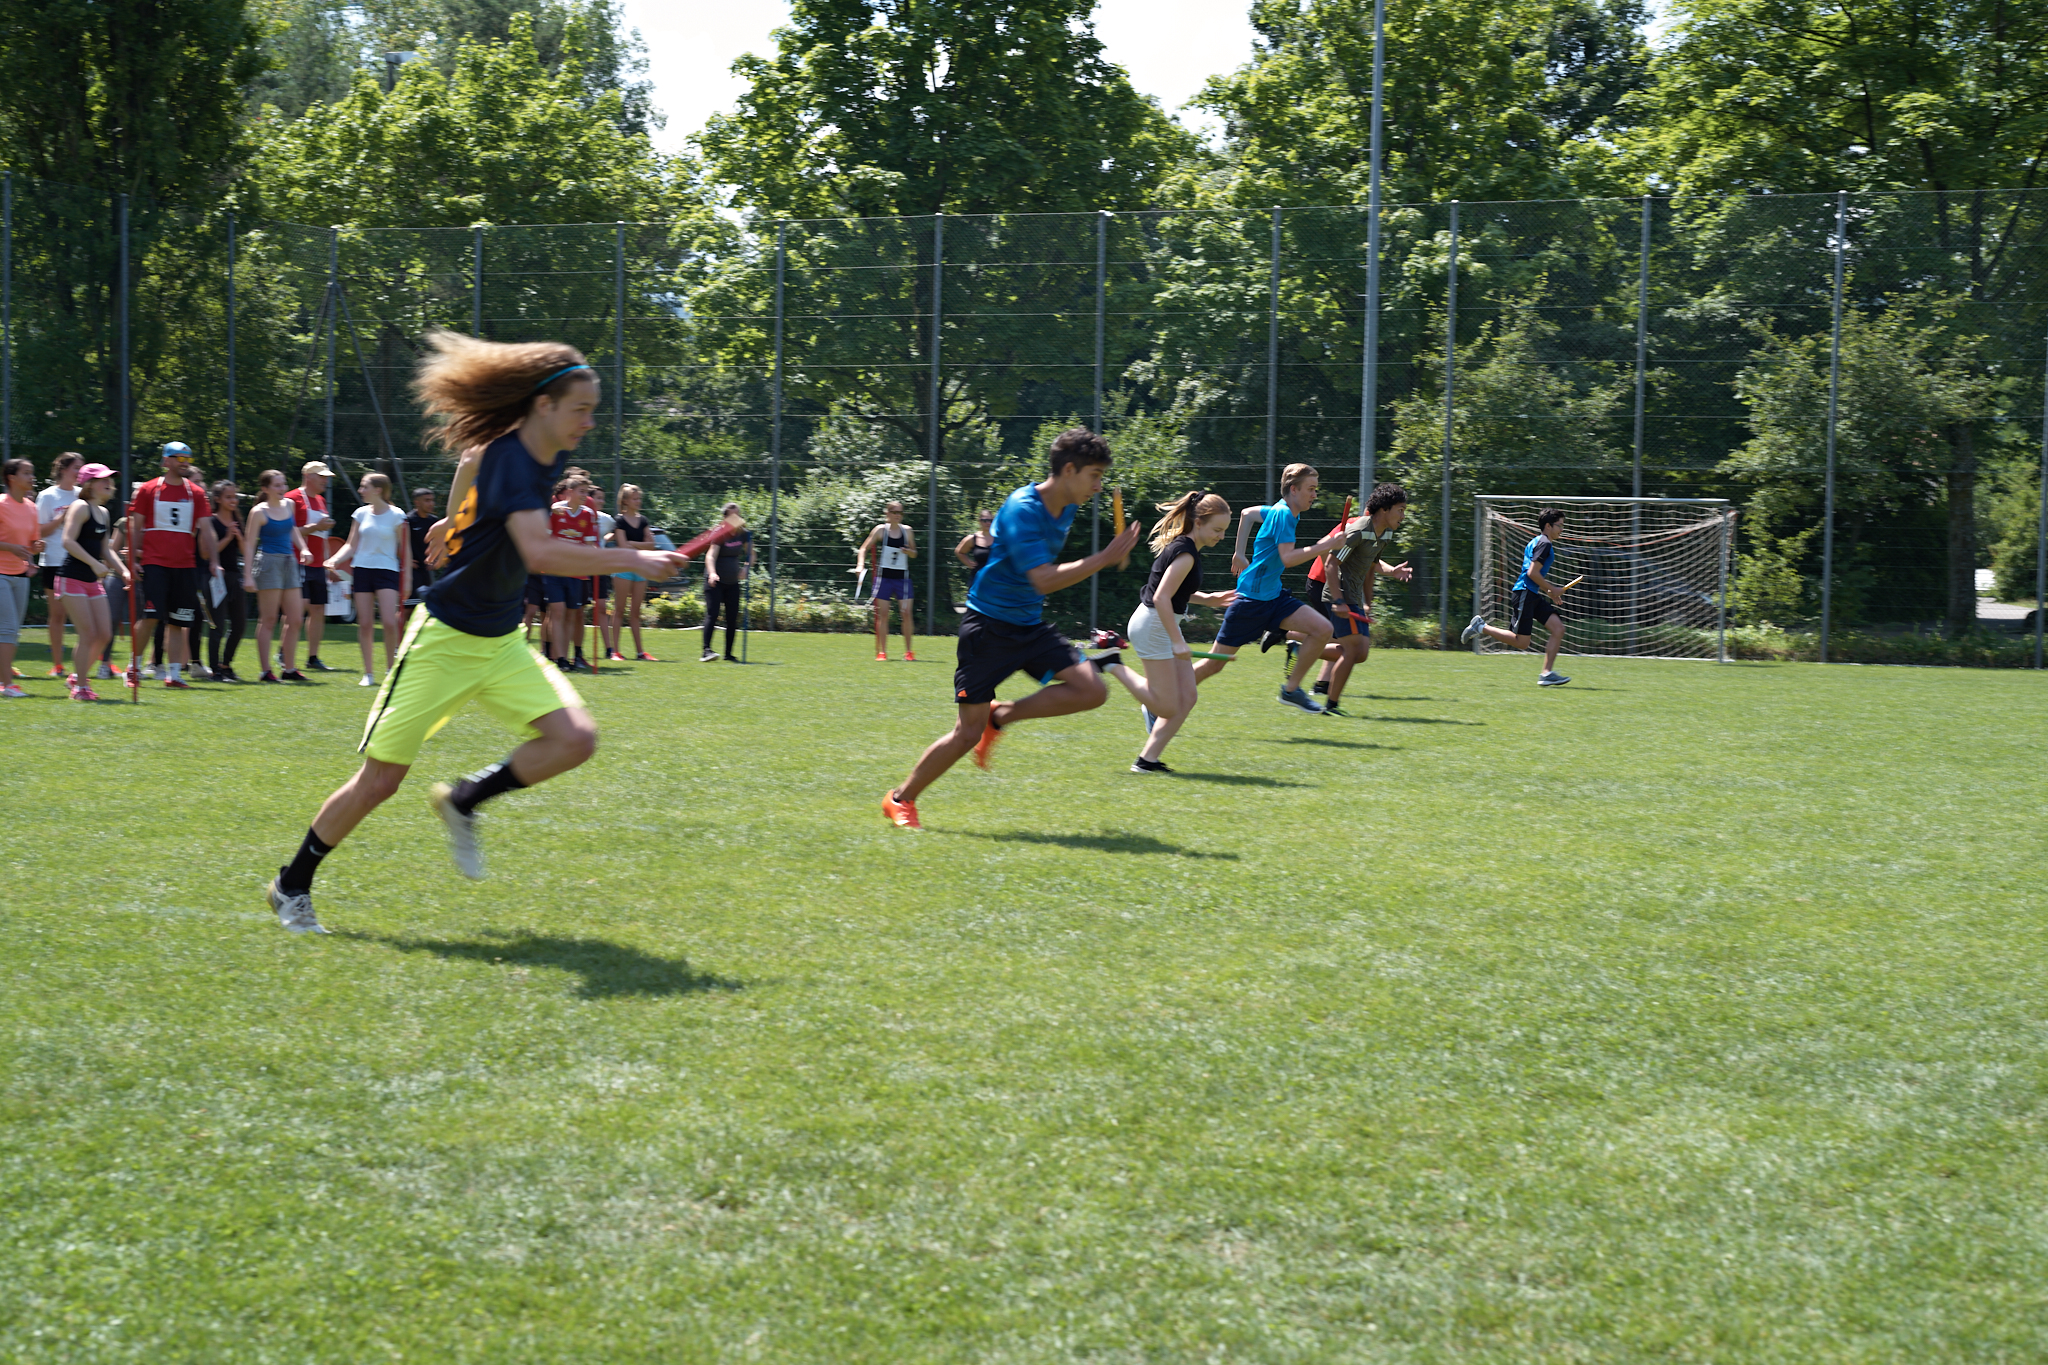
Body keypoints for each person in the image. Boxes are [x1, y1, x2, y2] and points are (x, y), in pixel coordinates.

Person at [263, 331, 684, 933]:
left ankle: (464, 800)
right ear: (544, 405)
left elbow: (469, 459)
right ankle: (291, 885)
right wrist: (631, 559)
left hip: (502, 640)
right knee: (381, 781)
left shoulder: (544, 452)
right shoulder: (517, 458)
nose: (590, 422)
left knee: (575, 740)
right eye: (581, 409)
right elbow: (538, 551)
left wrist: (451, 521)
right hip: (445, 638)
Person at [880, 427, 1142, 830]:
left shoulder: (1067, 507)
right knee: (966, 734)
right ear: (1068, 470)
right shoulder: (1023, 508)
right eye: (1094, 475)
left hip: (1029, 626)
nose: (1098, 486)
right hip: (987, 628)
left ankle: (999, 715)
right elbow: (1043, 579)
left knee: (1092, 690)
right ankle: (900, 799)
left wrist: (1105, 557)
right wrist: (1104, 558)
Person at [1095, 490, 1237, 774]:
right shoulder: (1185, 553)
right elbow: (1161, 597)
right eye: (1217, 530)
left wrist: (1208, 599)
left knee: (1187, 696)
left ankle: (1147, 760)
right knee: (1167, 706)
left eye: (1224, 530)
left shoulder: (1187, 549)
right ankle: (1112, 663)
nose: (1221, 536)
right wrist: (1177, 642)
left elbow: (1174, 592)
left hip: (1159, 623)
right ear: (1199, 522)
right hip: (1154, 626)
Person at [1194, 463, 1345, 712]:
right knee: (1215, 663)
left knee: (1322, 629)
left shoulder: (1280, 510)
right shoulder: (1283, 514)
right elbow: (1288, 558)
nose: (1315, 494)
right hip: (1250, 601)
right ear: (1294, 489)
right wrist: (1328, 544)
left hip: (1273, 597)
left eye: (1315, 489)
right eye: (1311, 489)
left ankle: (1291, 691)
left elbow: (1246, 514)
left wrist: (1239, 553)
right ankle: (1165, 696)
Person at [1288, 482, 1413, 717]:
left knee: (1361, 653)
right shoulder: (1359, 530)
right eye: (1400, 510)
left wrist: (1381, 585)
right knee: (1352, 649)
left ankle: (1300, 648)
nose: (1403, 516)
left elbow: (1371, 565)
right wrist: (1338, 600)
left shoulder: (1385, 533)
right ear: (1384, 509)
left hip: (1352, 597)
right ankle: (1331, 705)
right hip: (1339, 596)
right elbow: (1331, 564)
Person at [126, 441, 215, 690]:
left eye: (188, 458)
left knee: (179, 621)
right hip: (155, 563)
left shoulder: (196, 493)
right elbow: (135, 526)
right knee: (151, 617)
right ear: (166, 461)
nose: (184, 462)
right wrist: (131, 561)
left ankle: (174, 675)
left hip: (185, 566)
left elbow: (207, 529)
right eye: (179, 458)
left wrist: (214, 561)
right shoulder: (148, 489)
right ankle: (133, 668)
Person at [1462, 506, 1571, 685]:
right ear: (1548, 526)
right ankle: (1481, 627)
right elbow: (1532, 573)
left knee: (1558, 629)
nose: (1562, 529)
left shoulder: (1537, 541)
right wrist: (1553, 588)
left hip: (1532, 594)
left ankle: (1546, 674)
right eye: (1559, 525)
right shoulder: (1544, 544)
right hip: (1525, 594)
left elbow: (1534, 574)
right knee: (1521, 642)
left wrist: (1549, 592)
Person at [326, 472, 411, 685]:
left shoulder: (397, 515)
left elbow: (405, 550)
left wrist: (408, 579)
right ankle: (369, 674)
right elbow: (350, 545)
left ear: (378, 490)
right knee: (365, 624)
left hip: (387, 571)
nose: (360, 490)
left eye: (364, 486)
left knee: (389, 622)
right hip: (362, 570)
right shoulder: (360, 513)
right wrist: (334, 560)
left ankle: (390, 670)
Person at [243, 470, 312, 683]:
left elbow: (292, 530)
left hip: (289, 562)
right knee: (269, 619)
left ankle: (289, 669)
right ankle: (266, 671)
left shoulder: (289, 505)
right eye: (277, 485)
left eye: (283, 484)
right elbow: (249, 544)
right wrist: (248, 576)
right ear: (265, 489)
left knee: (296, 619)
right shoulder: (258, 512)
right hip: (268, 563)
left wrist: (303, 548)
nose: (282, 489)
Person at [35, 453, 84, 679]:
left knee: (84, 616)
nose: (80, 472)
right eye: (76, 467)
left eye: (82, 468)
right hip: (54, 562)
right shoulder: (47, 496)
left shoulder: (82, 495)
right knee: (58, 615)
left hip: (80, 561)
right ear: (63, 469)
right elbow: (38, 531)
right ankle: (58, 665)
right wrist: (62, 518)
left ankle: (85, 663)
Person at [286, 460, 336, 671]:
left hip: (317, 565)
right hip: (297, 561)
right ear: (308, 476)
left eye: (326, 477)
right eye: (321, 476)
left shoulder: (321, 501)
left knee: (318, 609)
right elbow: (289, 531)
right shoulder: (292, 498)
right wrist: (316, 526)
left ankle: (313, 657)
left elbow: (322, 537)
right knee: (296, 611)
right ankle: (284, 653)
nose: (325, 481)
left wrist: (328, 562)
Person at [544, 473, 596, 672]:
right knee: (558, 612)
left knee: (571, 615)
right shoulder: (555, 510)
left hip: (576, 572)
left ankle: (565, 657)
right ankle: (560, 659)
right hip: (554, 569)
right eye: (581, 491)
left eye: (586, 492)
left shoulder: (587, 514)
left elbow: (589, 544)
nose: (585, 495)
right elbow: (545, 539)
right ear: (570, 491)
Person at [0, 459, 42, 697]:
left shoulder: (31, 508)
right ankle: (7, 685)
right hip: (1, 575)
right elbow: (13, 545)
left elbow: (30, 544)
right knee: (7, 629)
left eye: (32, 473)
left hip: (21, 576)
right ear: (11, 477)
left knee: (13, 631)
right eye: (26, 473)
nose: (31, 477)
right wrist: (10, 548)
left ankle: (3, 680)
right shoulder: (1, 504)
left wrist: (36, 547)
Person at [856, 501, 917, 661]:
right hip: (884, 579)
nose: (898, 515)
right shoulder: (880, 530)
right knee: (883, 614)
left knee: (906, 613)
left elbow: (914, 553)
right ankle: (882, 652)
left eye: (900, 512)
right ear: (887, 513)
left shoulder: (907, 531)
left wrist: (909, 551)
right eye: (894, 512)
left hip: (902, 579)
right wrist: (860, 565)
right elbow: (863, 548)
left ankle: (909, 652)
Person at [205, 481, 249, 681]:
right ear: (217, 499)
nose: (233, 500)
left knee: (240, 624)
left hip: (234, 576)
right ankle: (215, 670)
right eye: (228, 497)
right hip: (216, 577)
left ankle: (226, 665)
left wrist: (238, 537)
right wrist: (227, 537)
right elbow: (208, 553)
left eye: (235, 497)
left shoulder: (237, 521)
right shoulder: (211, 522)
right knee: (217, 625)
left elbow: (245, 550)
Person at [700, 502, 752, 662]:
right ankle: (706, 651)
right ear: (725, 518)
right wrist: (712, 573)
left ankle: (728, 654)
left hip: (732, 582)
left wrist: (746, 567)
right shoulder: (720, 533)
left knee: (732, 617)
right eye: (732, 516)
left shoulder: (744, 533)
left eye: (738, 515)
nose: (736, 518)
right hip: (715, 582)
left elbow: (751, 554)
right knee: (713, 614)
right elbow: (710, 556)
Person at [611, 483, 658, 660]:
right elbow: (623, 546)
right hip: (623, 568)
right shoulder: (620, 521)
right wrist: (637, 545)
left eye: (639, 498)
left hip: (640, 568)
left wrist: (632, 543)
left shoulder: (643, 520)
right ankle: (615, 652)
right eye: (635, 499)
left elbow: (651, 545)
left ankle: (640, 652)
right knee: (619, 610)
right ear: (625, 501)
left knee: (636, 613)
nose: (638, 501)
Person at [401, 486, 438, 629]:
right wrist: (406, 560)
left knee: (422, 610)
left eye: (432, 500)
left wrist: (435, 559)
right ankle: (396, 640)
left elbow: (438, 543)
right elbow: (396, 542)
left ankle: (412, 638)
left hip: (425, 572)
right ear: (417, 502)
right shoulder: (408, 520)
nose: (431, 503)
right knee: (407, 610)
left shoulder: (434, 521)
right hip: (411, 572)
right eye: (427, 500)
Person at [954, 510, 994, 595]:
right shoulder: (972, 538)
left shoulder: (999, 538)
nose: (988, 523)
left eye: (990, 520)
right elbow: (959, 551)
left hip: (996, 580)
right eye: (985, 520)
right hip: (977, 580)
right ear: (979, 521)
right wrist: (968, 563)